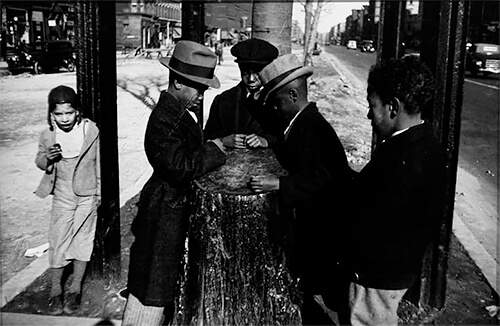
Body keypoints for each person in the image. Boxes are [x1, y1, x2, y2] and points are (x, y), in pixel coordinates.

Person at [122, 40, 227, 326]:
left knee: (164, 283)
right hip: (163, 215)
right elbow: (181, 168)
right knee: (152, 288)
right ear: (178, 82)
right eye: (198, 87)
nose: (201, 95)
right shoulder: (164, 118)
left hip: (171, 210)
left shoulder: (178, 113)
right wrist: (215, 148)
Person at [341, 56, 446, 325]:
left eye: (372, 106)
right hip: (398, 270)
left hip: (376, 275)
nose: (369, 115)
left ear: (393, 107)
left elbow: (369, 222)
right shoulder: (426, 144)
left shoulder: (399, 161)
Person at [249, 53, 353, 325]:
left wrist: (280, 184)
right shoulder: (300, 123)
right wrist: (268, 143)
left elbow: (325, 175)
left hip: (327, 225)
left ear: (294, 95)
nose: (275, 108)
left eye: (277, 102)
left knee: (333, 292)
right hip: (314, 220)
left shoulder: (317, 129)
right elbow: (292, 151)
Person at [34, 85, 100, 315]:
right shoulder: (47, 135)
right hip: (62, 196)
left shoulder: (90, 131)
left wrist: (97, 194)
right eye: (58, 114)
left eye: (69, 113)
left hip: (86, 195)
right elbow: (40, 161)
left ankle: (74, 289)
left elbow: (98, 164)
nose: (64, 119)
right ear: (51, 114)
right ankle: (55, 291)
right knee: (58, 242)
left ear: (78, 112)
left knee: (83, 242)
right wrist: (47, 159)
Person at [204, 38, 284, 149]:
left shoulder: (280, 100)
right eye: (245, 73)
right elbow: (207, 137)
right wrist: (222, 141)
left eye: (257, 73)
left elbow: (290, 139)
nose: (251, 79)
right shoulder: (222, 100)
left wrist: (266, 140)